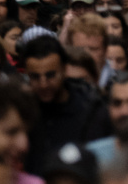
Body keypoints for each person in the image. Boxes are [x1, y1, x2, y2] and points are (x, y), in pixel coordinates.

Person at [23, 36, 110, 176]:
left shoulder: (92, 111)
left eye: (50, 75)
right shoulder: (22, 111)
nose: (43, 84)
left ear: (64, 70)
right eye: (35, 77)